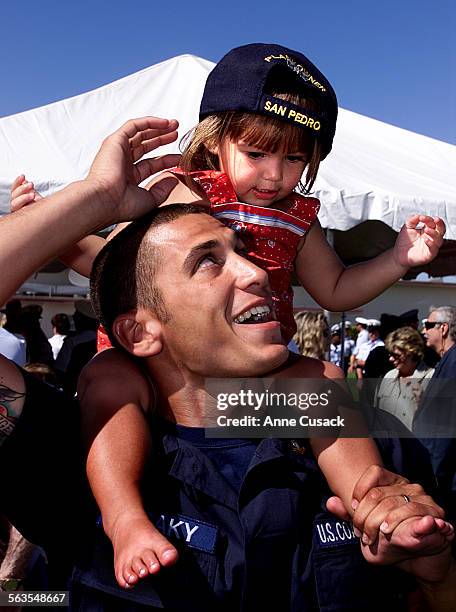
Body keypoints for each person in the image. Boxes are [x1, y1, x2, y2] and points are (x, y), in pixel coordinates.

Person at [10, 43, 447, 589]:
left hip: (265, 371)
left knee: (322, 377)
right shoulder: (177, 194)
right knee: (106, 379)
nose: (275, 175)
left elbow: (335, 289)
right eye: (258, 154)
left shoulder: (299, 221)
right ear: (216, 140)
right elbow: (110, 263)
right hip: (147, 371)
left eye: (294, 160)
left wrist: (398, 258)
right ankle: (124, 516)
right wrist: (61, 219)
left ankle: (371, 504)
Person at [414, 306, 456, 522]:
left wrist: (434, 478)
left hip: (445, 478)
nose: (424, 330)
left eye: (428, 325)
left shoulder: (454, 362)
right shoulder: (445, 360)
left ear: (444, 328)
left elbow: (446, 425)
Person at [374, 326, 434, 431]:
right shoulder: (389, 376)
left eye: (396, 355)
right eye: (390, 354)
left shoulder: (431, 377)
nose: (391, 359)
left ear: (411, 353)